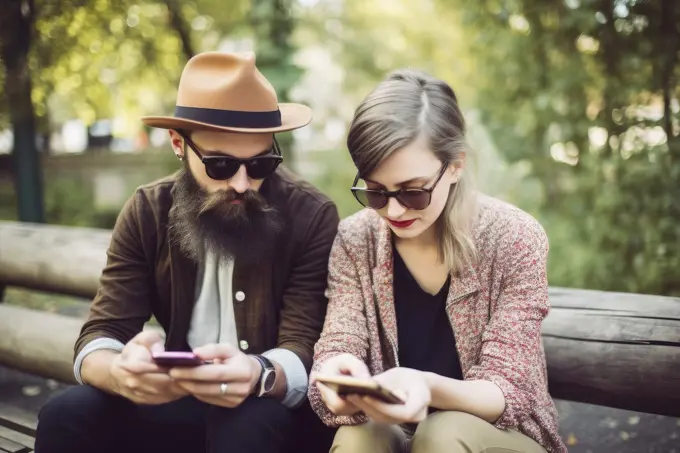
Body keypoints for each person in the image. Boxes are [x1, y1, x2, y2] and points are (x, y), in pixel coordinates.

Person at [34, 51, 339, 453]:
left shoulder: (311, 215)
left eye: (262, 163)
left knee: (250, 422)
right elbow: (102, 333)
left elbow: (303, 343)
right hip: (172, 402)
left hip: (266, 409)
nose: (244, 183)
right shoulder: (147, 209)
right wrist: (122, 373)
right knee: (66, 413)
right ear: (179, 144)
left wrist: (257, 373)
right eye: (220, 165)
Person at [308, 68, 568, 453]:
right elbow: (339, 341)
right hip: (399, 430)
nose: (393, 210)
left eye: (413, 192)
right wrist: (335, 376)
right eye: (376, 192)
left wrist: (425, 386)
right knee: (357, 437)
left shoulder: (515, 237)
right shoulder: (355, 238)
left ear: (456, 166)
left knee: (442, 434)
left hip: (500, 436)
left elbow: (507, 389)